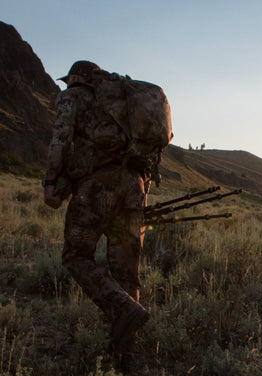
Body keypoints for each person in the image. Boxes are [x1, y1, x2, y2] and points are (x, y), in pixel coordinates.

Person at [43, 60, 150, 366]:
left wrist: (51, 182)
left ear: (77, 78)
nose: (66, 85)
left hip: (98, 186)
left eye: (69, 80)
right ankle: (125, 356)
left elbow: (61, 138)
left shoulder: (74, 96)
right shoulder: (123, 107)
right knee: (126, 271)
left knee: (76, 256)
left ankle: (124, 308)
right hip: (135, 185)